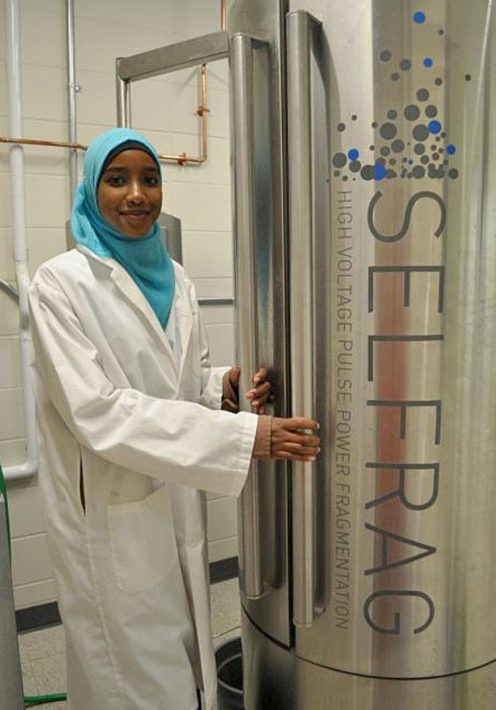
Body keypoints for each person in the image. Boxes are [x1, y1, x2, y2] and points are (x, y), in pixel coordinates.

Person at [28, 128, 320, 710]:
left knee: (180, 663)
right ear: (92, 189)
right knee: (130, 679)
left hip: (172, 504)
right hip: (110, 514)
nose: (137, 194)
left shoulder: (176, 278)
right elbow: (98, 411)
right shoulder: (60, 284)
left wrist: (224, 389)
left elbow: (183, 383)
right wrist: (246, 437)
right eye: (118, 180)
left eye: (150, 179)